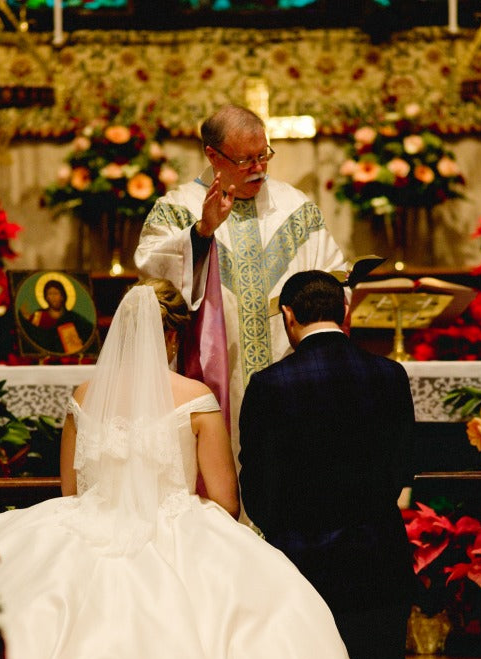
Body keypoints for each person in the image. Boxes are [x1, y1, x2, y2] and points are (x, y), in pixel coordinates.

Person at [0, 278, 399, 659]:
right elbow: (224, 498)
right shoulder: (195, 397)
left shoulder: (83, 398)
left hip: (87, 525)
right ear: (172, 335)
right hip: (178, 527)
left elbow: (70, 491)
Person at [238, 269, 466, 659]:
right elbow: (399, 465)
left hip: (301, 559)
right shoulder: (389, 375)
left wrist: (286, 532)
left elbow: (257, 481)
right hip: (375, 549)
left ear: (289, 318)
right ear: (345, 313)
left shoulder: (269, 384)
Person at [134, 104, 349, 459]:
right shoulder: (177, 208)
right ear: (212, 155)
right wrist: (202, 232)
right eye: (246, 160)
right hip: (209, 378)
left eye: (263, 155)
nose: (259, 168)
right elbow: (151, 276)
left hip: (290, 375)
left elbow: (335, 279)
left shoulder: (296, 208)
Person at [19, 277, 94, 355]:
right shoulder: (38, 316)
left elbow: (89, 331)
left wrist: (81, 341)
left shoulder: (73, 317)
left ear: (62, 296)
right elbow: (30, 335)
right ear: (46, 297)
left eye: (56, 293)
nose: (53, 297)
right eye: (50, 294)